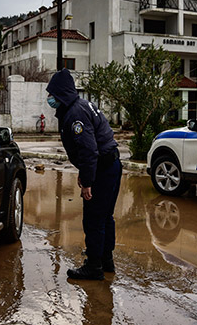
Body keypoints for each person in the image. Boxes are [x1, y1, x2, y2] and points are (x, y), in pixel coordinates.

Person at [46, 68, 122, 280]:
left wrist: (88, 182)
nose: (49, 99)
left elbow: (89, 150)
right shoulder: (81, 105)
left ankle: (94, 267)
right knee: (106, 217)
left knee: (94, 219)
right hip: (110, 165)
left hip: (103, 168)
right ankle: (106, 261)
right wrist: (85, 173)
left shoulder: (75, 114)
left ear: (61, 94)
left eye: (51, 94)